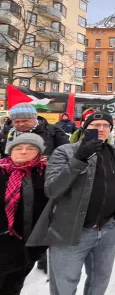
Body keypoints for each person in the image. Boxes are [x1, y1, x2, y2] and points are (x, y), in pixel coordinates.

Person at [27, 111, 115, 295]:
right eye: (95, 125)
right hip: (72, 231)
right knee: (65, 285)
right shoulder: (65, 151)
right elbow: (52, 189)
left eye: (105, 125)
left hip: (108, 230)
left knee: (100, 280)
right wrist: (80, 158)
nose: (101, 129)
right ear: (84, 127)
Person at [5, 103, 69, 273]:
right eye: (16, 121)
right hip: (15, 180)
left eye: (25, 120)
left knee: (41, 219)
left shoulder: (53, 131)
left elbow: (67, 153)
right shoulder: (8, 132)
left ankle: (42, 257)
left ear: (35, 118)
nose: (20, 124)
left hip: (43, 180)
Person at [0, 134, 47, 295]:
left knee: (14, 286)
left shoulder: (46, 173)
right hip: (3, 244)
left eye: (31, 148)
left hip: (28, 246)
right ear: (10, 152)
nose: (24, 152)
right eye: (18, 148)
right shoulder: (1, 171)